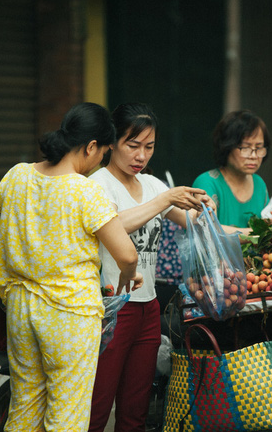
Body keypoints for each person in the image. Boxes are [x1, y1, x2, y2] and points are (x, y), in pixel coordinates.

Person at [0, 102, 143, 431]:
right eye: (104, 153)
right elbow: (128, 256)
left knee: (25, 406)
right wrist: (129, 278)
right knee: (67, 412)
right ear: (91, 147)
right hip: (68, 315)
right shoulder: (85, 192)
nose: (101, 161)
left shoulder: (16, 177)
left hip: (19, 309)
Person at [87, 102, 213, 432]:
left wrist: (207, 210)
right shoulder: (98, 184)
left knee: (135, 411)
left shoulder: (152, 186)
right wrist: (163, 200)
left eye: (149, 147)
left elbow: (193, 221)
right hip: (112, 309)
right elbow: (113, 223)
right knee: (96, 407)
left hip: (147, 309)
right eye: (133, 145)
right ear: (112, 142)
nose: (141, 156)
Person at [192, 109, 271, 234]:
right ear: (227, 146)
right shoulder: (207, 182)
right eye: (245, 148)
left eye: (259, 148)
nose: (254, 155)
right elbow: (208, 230)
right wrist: (259, 234)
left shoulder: (259, 183)